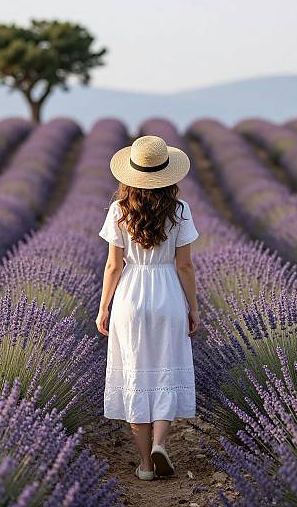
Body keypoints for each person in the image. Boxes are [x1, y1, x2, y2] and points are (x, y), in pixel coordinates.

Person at [96, 135, 200, 481]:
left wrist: (104, 307)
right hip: (168, 293)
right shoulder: (180, 210)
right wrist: (193, 308)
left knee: (135, 375)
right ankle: (160, 444)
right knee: (166, 369)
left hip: (130, 296)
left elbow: (113, 266)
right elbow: (185, 266)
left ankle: (144, 464)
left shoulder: (118, 210)